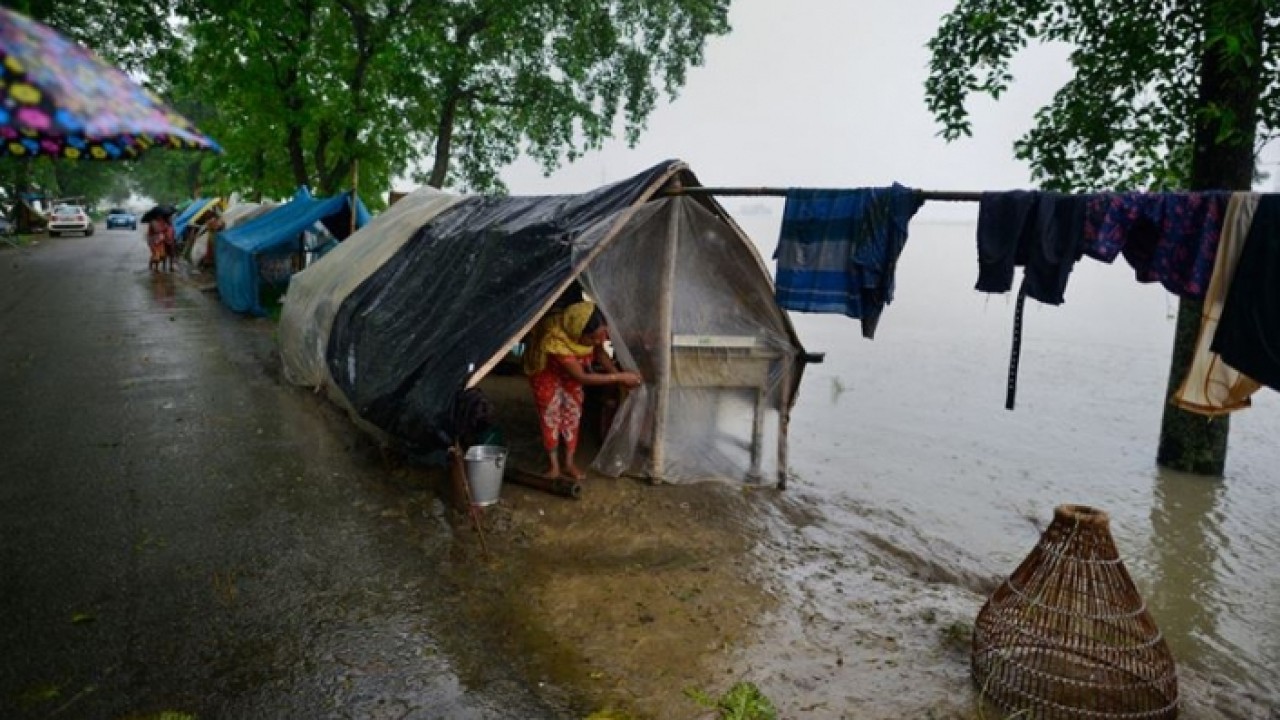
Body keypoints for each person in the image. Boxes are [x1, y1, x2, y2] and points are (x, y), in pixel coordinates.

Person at [523, 300, 642, 480]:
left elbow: (600, 353)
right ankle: (554, 465)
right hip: (547, 375)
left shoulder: (592, 330)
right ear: (578, 334)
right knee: (551, 416)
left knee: (572, 414)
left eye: (601, 336)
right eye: (593, 338)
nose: (598, 341)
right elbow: (582, 377)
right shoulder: (556, 339)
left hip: (570, 376)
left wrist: (617, 374)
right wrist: (620, 378)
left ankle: (569, 463)